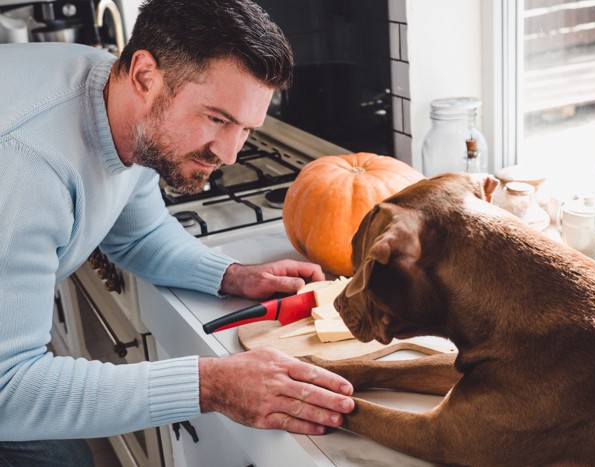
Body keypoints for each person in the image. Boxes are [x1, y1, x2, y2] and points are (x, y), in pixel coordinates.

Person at [0, 0, 355, 465]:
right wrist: (213, 385)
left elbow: (137, 234)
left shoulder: (123, 102)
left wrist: (233, 276)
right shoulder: (25, 167)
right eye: (217, 118)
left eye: (245, 129)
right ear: (146, 75)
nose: (229, 154)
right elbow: (8, 390)